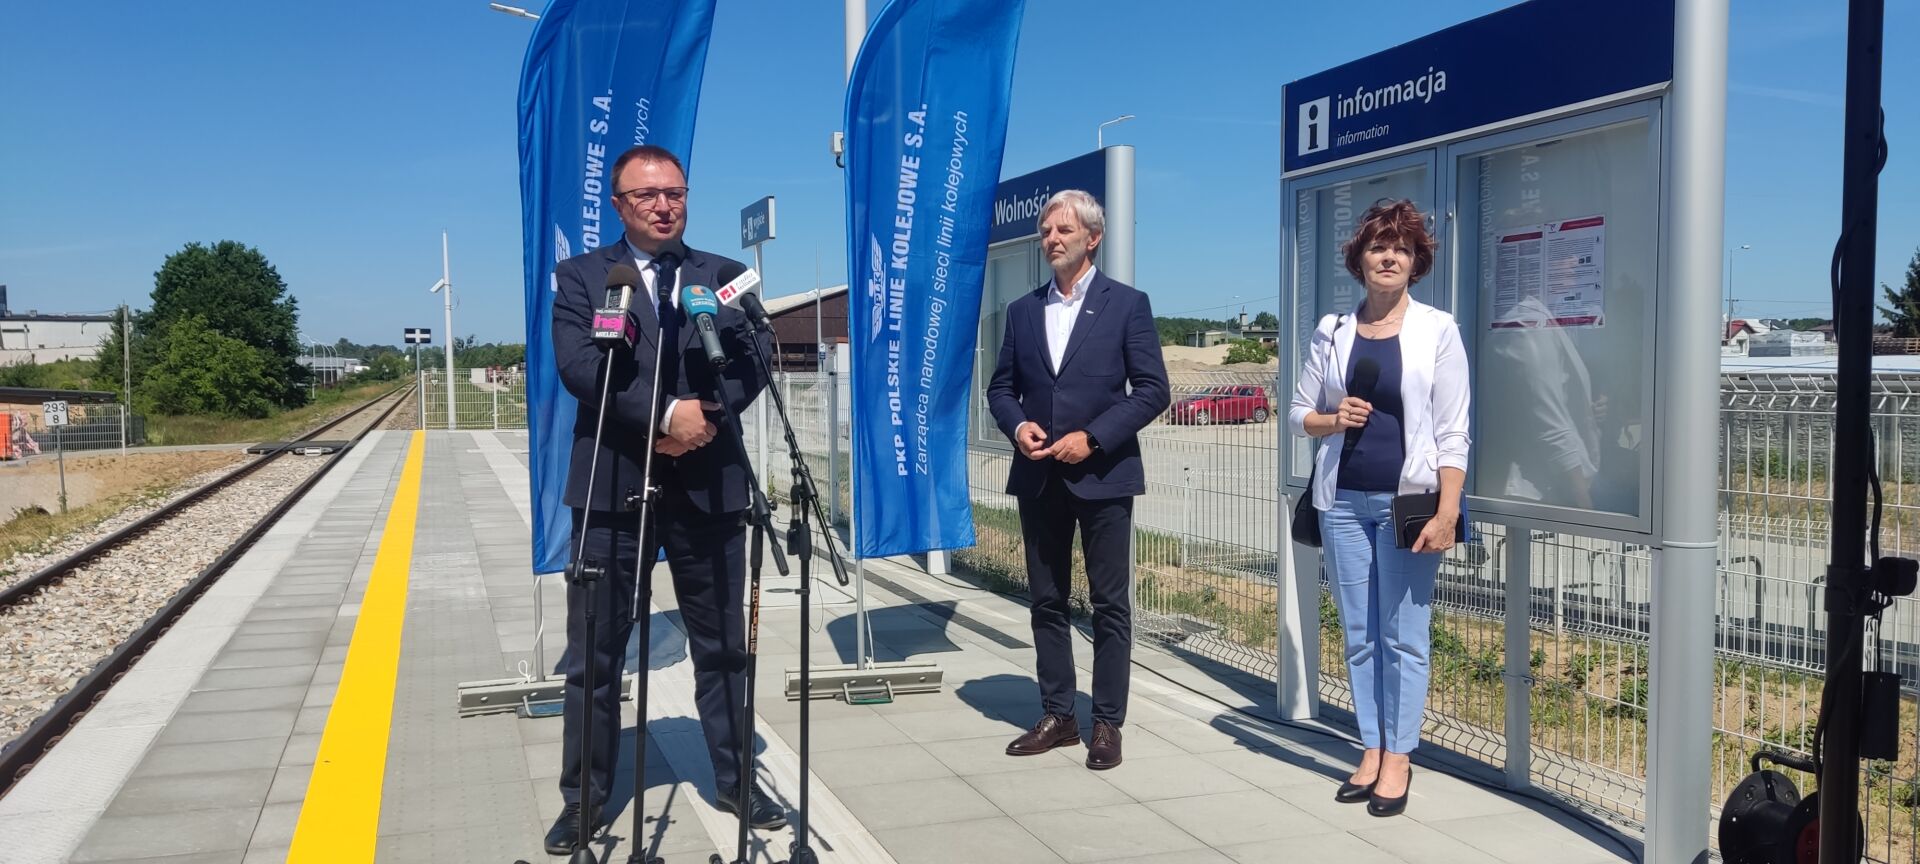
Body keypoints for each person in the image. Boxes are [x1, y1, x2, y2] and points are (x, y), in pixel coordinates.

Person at [545, 144, 780, 854]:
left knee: (723, 647)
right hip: (612, 485)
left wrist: (700, 419)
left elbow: (756, 355)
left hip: (708, 482)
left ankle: (735, 778)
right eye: (646, 195)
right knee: (594, 655)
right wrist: (663, 418)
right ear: (619, 204)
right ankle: (584, 799)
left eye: (674, 192)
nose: (663, 205)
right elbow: (581, 368)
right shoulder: (584, 277)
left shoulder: (725, 275)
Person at [1289, 199, 1469, 818]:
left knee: (1405, 637)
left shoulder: (1438, 330)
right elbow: (1299, 413)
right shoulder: (1333, 330)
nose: (1389, 257)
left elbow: (1454, 431)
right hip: (1341, 501)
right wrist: (1332, 418)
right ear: (1359, 260)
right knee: (1361, 635)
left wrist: (1448, 512)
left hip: (1410, 504)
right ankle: (1371, 748)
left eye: (1401, 248)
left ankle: (1400, 757)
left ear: (1416, 262)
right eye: (1377, 247)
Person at [987, 189, 1170, 771]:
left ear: (1093, 238)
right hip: (1039, 476)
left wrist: (1092, 437)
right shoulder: (1022, 311)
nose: (1052, 239)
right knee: (1046, 600)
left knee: (1109, 605)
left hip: (1104, 475)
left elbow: (1153, 390)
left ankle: (1107, 722)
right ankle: (1059, 715)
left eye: (1063, 230)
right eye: (1046, 231)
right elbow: (1000, 388)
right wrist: (1018, 427)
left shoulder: (1127, 305)